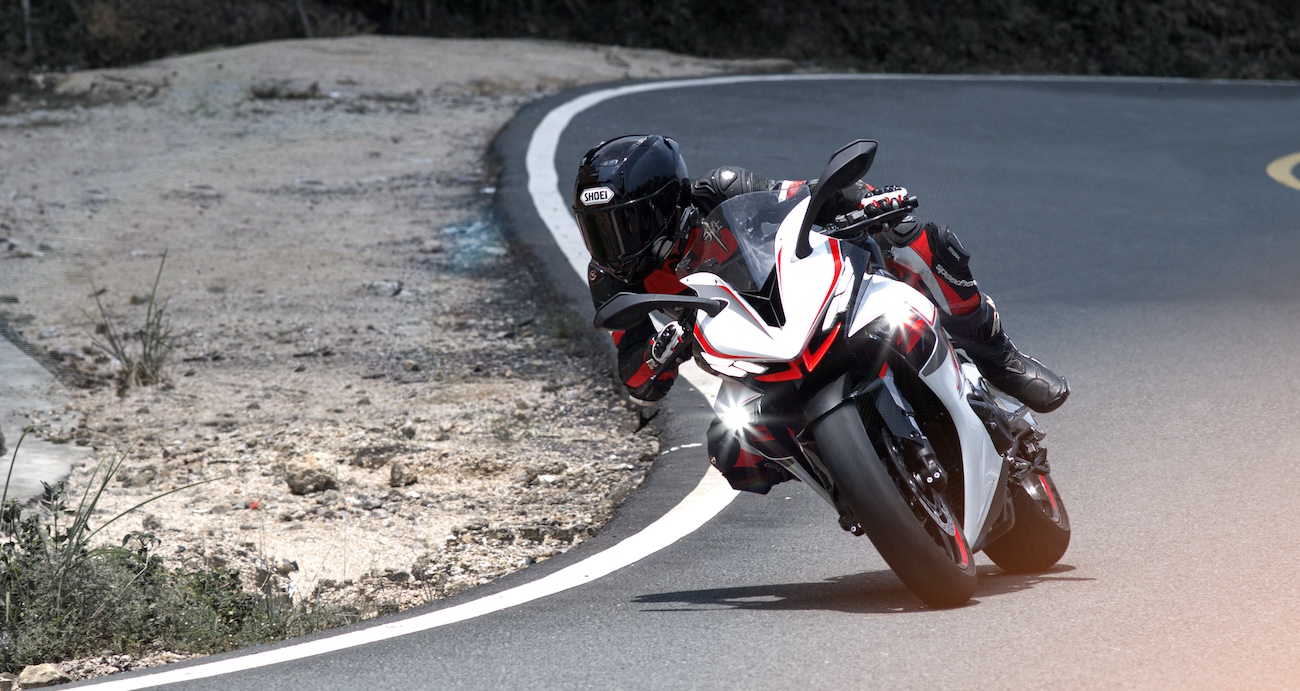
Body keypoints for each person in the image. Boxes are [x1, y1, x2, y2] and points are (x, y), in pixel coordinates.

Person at [573, 134, 1068, 492]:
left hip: (810, 296)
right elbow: (635, 375)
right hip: (750, 357)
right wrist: (658, 353)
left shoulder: (723, 189)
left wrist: (869, 200)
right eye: (598, 230)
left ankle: (998, 355)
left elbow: (806, 198)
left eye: (625, 224)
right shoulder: (610, 278)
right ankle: (848, 477)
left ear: (664, 206)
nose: (614, 244)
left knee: (915, 240)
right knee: (732, 450)